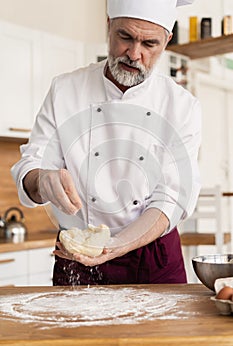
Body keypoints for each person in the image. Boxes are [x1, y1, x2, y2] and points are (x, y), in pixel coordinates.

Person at [11, 0, 201, 286]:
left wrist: (116, 244)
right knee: (73, 332)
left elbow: (173, 197)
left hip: (153, 257)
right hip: (77, 253)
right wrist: (41, 180)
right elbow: (32, 162)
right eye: (125, 37)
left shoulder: (182, 106)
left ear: (167, 41)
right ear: (108, 25)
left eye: (150, 43)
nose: (134, 54)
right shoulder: (65, 89)